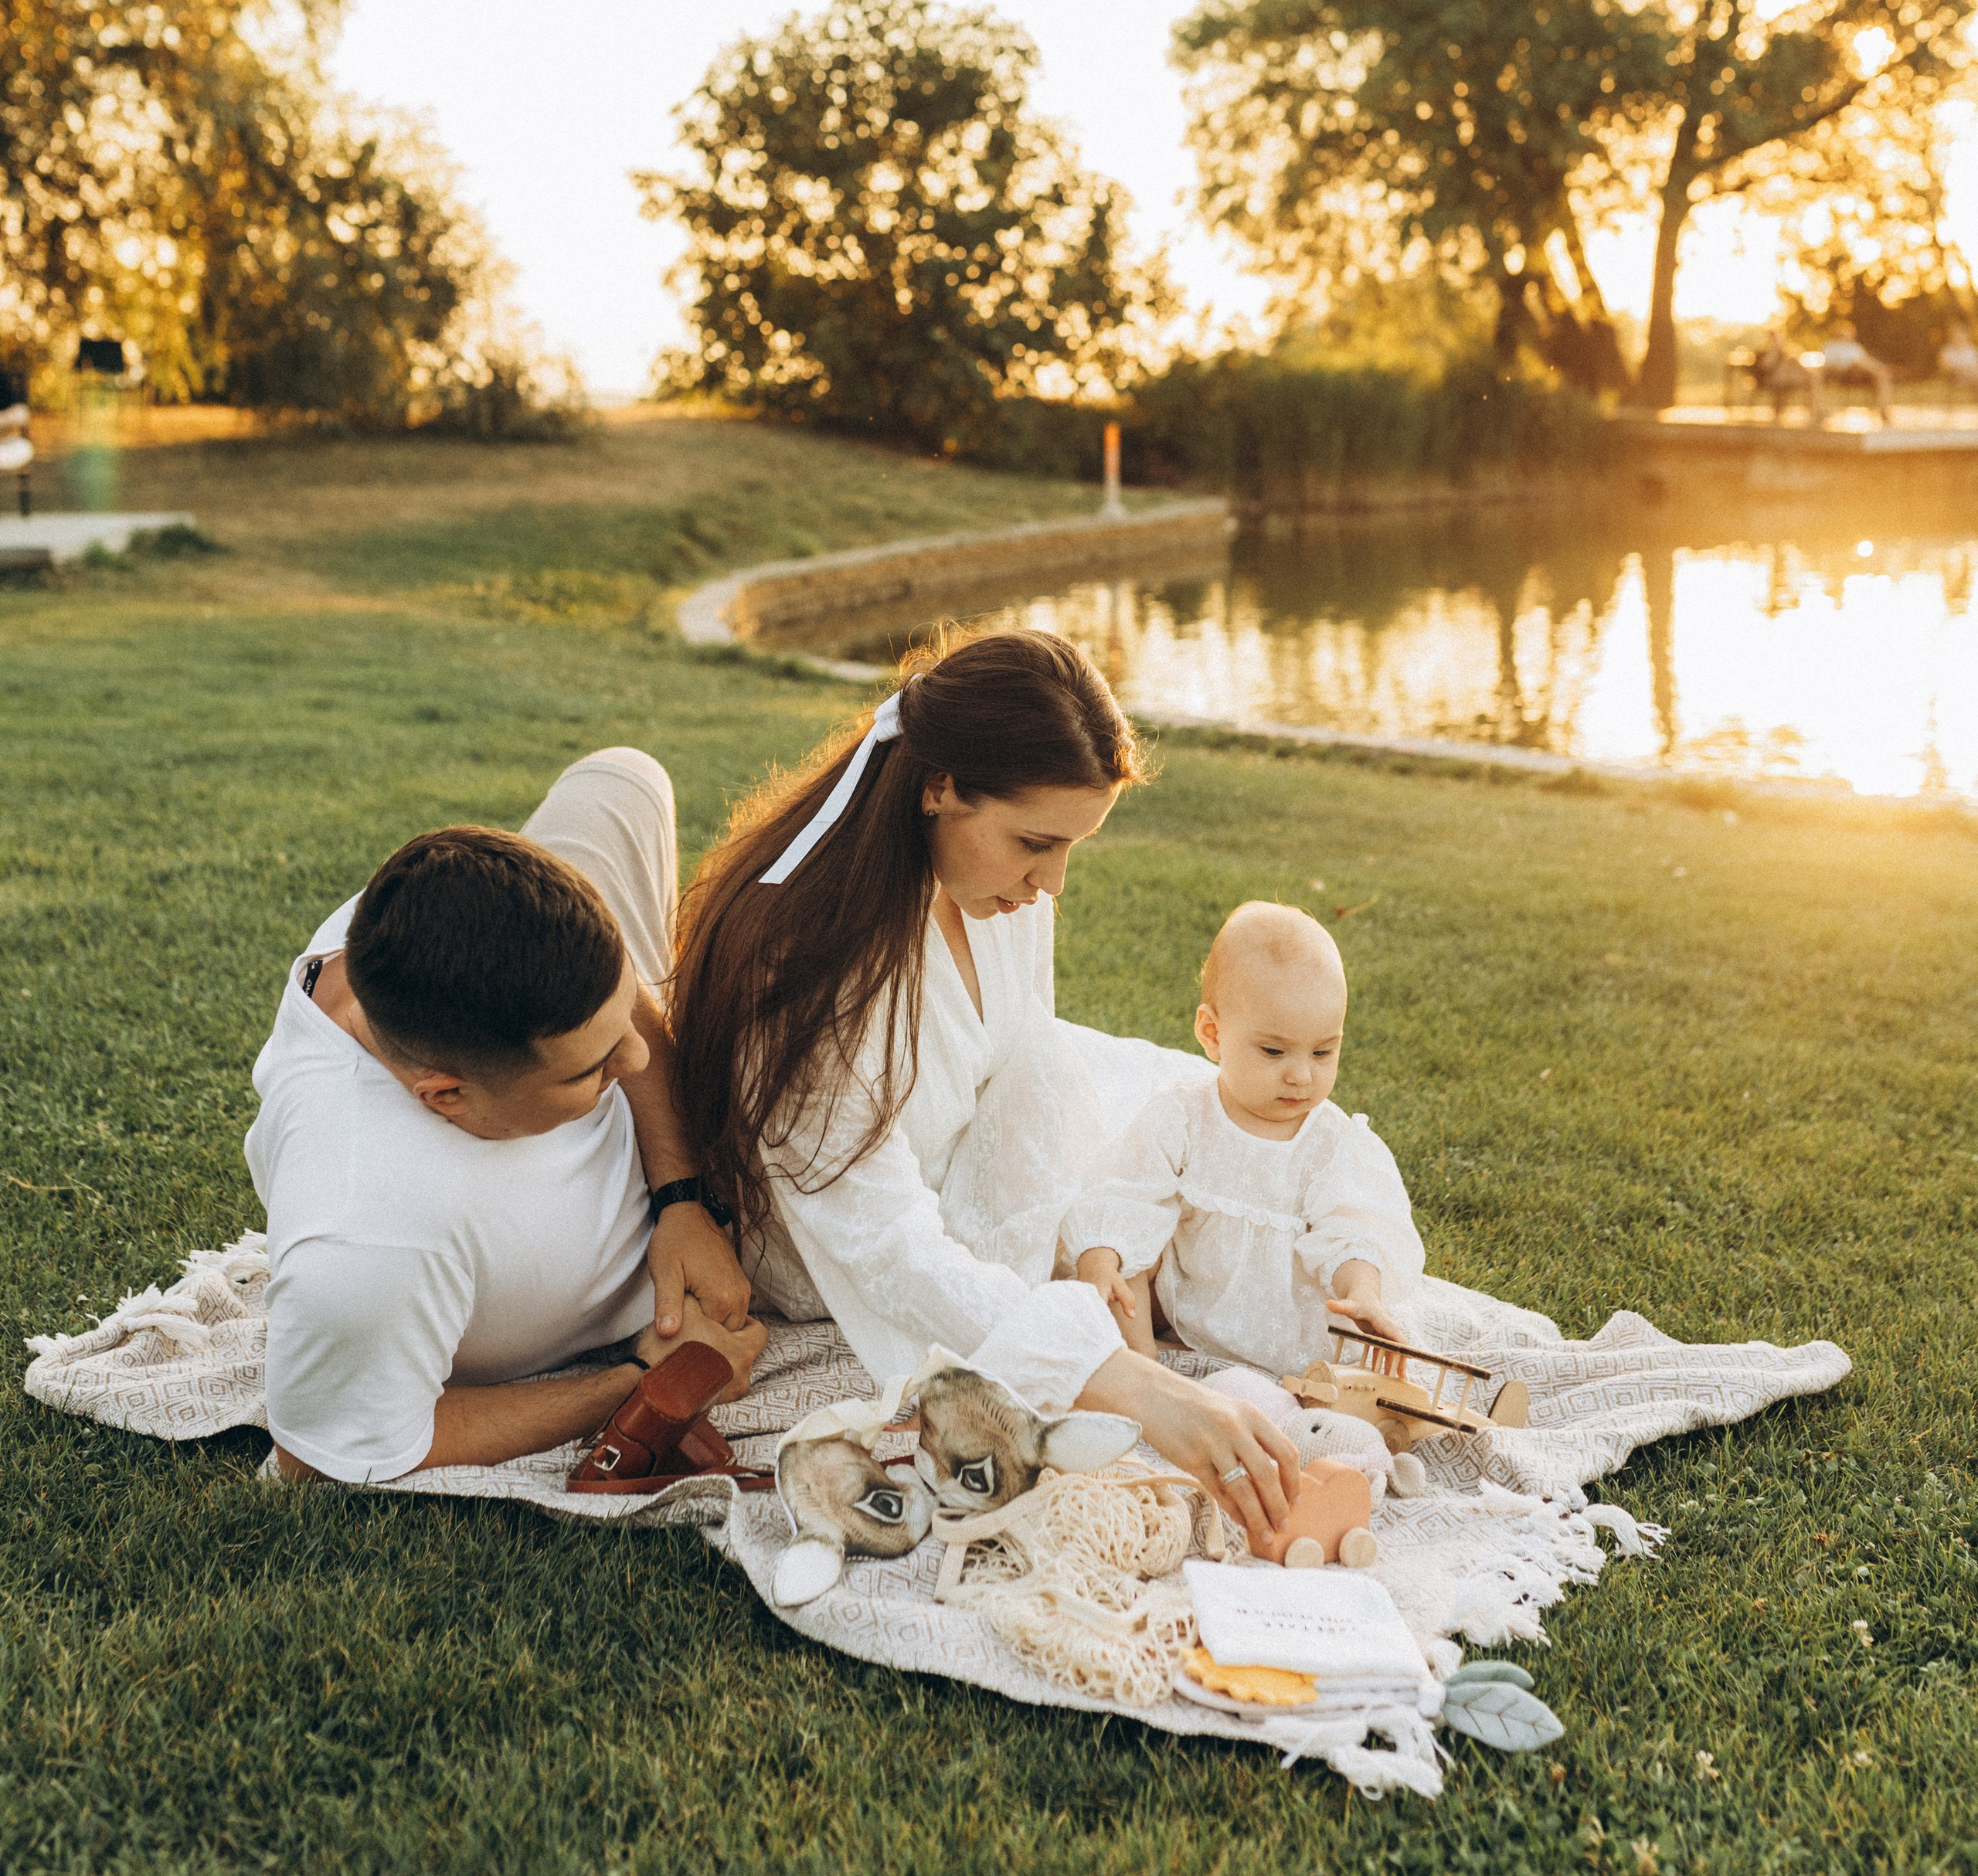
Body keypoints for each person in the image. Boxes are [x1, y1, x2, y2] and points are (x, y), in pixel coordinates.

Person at [666, 632, 1302, 1547]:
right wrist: (1127, 1380)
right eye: (1035, 844)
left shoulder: (995, 893)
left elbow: (1020, 1069)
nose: (1050, 884)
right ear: (939, 787)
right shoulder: (808, 969)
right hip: (832, 1240)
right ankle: (1055, 1332)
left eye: (1070, 849)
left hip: (956, 1148)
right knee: (1157, 1168)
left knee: (1212, 1119)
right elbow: (884, 1244)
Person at [249, 749, 757, 1484]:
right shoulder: (367, 1235)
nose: (641, 1061)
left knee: (624, 774)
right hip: (684, 1261)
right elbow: (325, 1458)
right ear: (446, 1096)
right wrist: (644, 1374)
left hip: (677, 1194)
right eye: (592, 1069)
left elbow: (626, 1010)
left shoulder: (416, 918)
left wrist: (683, 1196)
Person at [1062, 899, 1423, 1374]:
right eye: (1274, 1051)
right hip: (1181, 1308)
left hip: (1292, 1335)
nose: (1301, 1075)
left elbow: (1350, 1230)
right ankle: (1141, 1363)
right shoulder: (1184, 1117)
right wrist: (1102, 1255)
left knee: (1355, 1336)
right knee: (1125, 1260)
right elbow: (1129, 1195)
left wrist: (1361, 1291)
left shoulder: (1333, 1144)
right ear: (1212, 1034)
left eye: (1322, 1051)